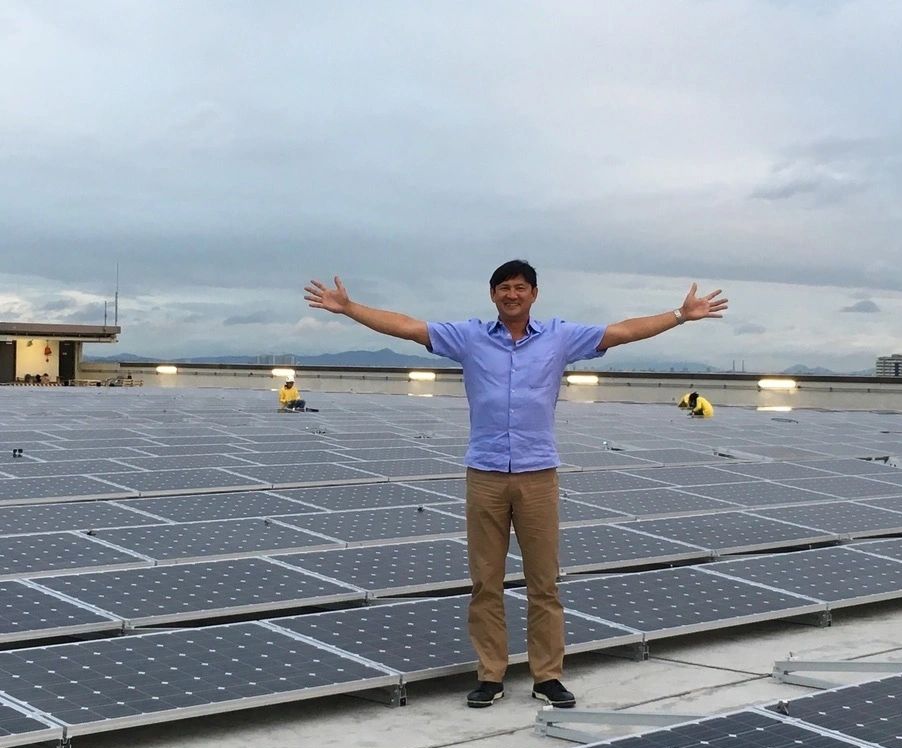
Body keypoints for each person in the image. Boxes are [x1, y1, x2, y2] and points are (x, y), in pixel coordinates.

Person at [304, 260, 727, 710]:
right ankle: (490, 674)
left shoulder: (559, 337)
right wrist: (350, 308)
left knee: (544, 582)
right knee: (485, 582)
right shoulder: (469, 337)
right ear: (493, 295)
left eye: (520, 287)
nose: (512, 294)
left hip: (537, 475)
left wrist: (680, 315)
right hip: (485, 474)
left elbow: (620, 332)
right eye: (504, 287)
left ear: (534, 294)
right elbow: (409, 327)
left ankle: (548, 676)